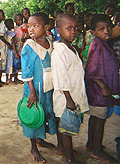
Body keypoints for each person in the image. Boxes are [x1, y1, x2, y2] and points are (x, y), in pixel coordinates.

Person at [51, 14, 89, 164]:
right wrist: (68, 99)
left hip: (72, 93)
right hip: (65, 96)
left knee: (64, 124)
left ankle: (62, 148)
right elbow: (60, 77)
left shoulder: (70, 47)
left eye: (75, 28)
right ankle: (69, 157)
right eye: (69, 28)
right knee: (66, 127)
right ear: (58, 30)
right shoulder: (59, 51)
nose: (73, 31)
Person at [20, 12, 56, 163]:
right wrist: (32, 92)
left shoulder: (50, 41)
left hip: (48, 87)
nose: (31, 29)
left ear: (47, 27)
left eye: (35, 26)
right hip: (34, 88)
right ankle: (33, 147)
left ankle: (41, 139)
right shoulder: (29, 46)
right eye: (29, 26)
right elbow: (27, 71)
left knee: (46, 113)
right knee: (34, 115)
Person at [84, 14, 119, 163]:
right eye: (101, 29)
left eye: (109, 28)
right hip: (99, 92)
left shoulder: (104, 43)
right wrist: (104, 87)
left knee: (95, 117)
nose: (106, 31)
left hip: (100, 91)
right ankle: (97, 150)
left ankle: (91, 143)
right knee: (100, 119)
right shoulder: (97, 45)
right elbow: (91, 70)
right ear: (93, 32)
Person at [0, 9, 12, 85]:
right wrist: (8, 44)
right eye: (2, 15)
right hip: (1, 47)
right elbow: (1, 36)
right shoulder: (2, 25)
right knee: (2, 63)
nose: (4, 16)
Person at [4, 18, 17, 84]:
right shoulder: (12, 34)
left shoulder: (5, 33)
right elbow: (13, 44)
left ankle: (7, 79)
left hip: (7, 52)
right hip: (12, 52)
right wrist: (16, 52)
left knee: (7, 65)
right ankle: (11, 79)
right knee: (12, 65)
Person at [13, 13, 24, 84]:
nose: (20, 21)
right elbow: (13, 41)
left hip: (22, 46)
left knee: (22, 62)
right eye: (18, 20)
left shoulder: (23, 27)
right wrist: (15, 52)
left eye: (21, 19)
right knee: (16, 63)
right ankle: (15, 77)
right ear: (15, 21)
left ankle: (20, 77)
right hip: (17, 47)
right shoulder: (14, 29)